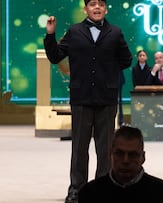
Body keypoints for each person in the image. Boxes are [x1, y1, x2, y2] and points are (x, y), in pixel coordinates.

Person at [43, 0, 133, 202]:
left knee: (105, 149)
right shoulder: (74, 31)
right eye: (93, 4)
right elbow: (55, 56)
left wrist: (107, 72)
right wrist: (50, 34)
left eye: (101, 4)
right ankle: (77, 189)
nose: (97, 7)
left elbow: (126, 59)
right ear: (86, 9)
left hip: (106, 99)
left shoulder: (115, 32)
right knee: (79, 148)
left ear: (106, 9)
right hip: (81, 97)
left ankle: (103, 189)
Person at [78, 126, 163, 203]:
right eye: (119, 153)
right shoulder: (89, 194)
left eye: (133, 155)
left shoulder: (162, 193)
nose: (125, 160)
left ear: (143, 157)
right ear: (110, 155)